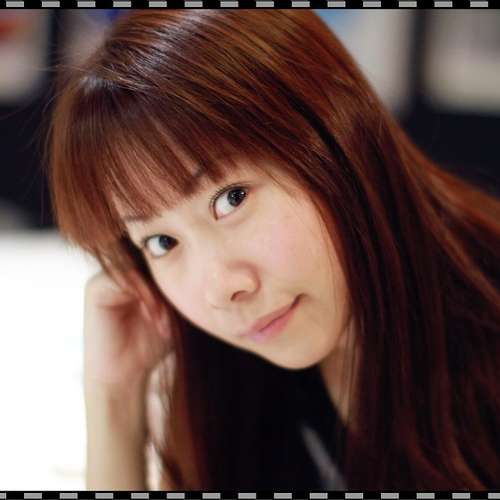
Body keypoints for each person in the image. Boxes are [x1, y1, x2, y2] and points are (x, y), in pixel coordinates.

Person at [46, 10, 500, 490]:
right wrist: (113, 400)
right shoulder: (234, 377)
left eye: (231, 199)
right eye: (162, 242)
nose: (221, 288)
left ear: (336, 135)